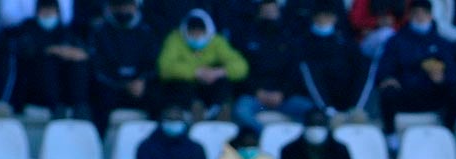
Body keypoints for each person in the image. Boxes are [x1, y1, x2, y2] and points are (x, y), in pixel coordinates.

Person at [375, 0, 456, 151]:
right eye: (416, 13)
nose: (420, 17)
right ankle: (391, 139)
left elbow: (452, 72)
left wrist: (442, 79)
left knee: (455, 92)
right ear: (410, 15)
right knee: (387, 93)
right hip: (406, 91)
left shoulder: (441, 43)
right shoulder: (396, 41)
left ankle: (448, 135)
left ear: (430, 16)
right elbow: (384, 67)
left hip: (432, 93)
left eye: (424, 13)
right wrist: (388, 78)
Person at [232, 0, 314, 129]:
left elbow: (294, 73)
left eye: (272, 11)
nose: (269, 15)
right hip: (255, 96)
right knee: (241, 111)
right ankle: (264, 136)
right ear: (259, 13)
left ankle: (292, 141)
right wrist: (257, 91)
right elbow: (243, 72)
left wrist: (283, 93)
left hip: (283, 97)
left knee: (311, 111)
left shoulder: (289, 40)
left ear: (279, 13)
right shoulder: (247, 40)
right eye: (265, 11)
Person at [157, 9, 248, 121]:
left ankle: (222, 116)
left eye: (200, 32)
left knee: (224, 86)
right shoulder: (175, 39)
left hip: (210, 88)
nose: (196, 36)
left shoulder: (216, 41)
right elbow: (165, 67)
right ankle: (193, 114)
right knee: (177, 86)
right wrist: (196, 72)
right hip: (185, 89)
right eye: (192, 32)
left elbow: (241, 66)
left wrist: (218, 72)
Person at [88, 0, 160, 136]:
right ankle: (98, 146)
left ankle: (156, 145)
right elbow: (98, 68)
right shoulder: (100, 32)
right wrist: (123, 85)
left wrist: (142, 80)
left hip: (139, 88)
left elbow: (153, 64)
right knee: (99, 101)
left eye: (127, 6)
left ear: (135, 7)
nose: (123, 10)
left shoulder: (146, 32)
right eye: (118, 6)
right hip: (112, 88)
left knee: (159, 100)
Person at [10, 0, 91, 118]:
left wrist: (69, 53)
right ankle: (55, 107)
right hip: (35, 87)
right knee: (48, 63)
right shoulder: (28, 29)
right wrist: (54, 50)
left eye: (51, 11)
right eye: (44, 11)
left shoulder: (65, 31)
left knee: (78, 65)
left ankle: (80, 106)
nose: (48, 15)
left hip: (65, 84)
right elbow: (26, 51)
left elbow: (83, 53)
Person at [297, 1, 369, 120]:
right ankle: (328, 110)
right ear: (314, 17)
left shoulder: (345, 42)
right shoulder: (305, 42)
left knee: (364, 66)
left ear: (335, 18)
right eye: (321, 16)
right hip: (318, 98)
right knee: (310, 69)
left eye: (328, 16)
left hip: (345, 93)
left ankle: (355, 109)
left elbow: (360, 66)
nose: (324, 19)